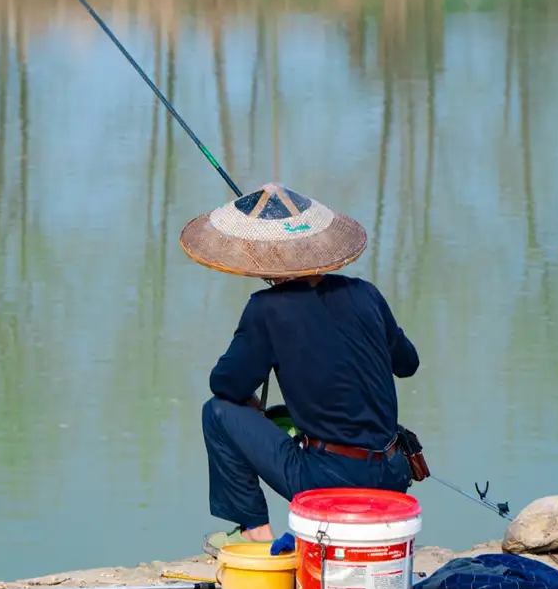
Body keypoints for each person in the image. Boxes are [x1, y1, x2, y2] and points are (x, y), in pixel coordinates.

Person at [177, 183, 420, 556]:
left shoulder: (267, 309)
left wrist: (253, 395)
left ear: (265, 261)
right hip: (393, 472)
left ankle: (254, 533)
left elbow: (225, 386)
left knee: (217, 412)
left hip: (330, 481)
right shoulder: (366, 293)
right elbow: (408, 363)